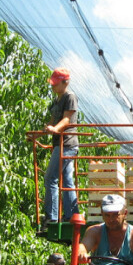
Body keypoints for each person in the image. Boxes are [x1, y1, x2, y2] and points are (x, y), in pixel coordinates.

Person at [43, 67, 79, 223]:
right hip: (60, 144)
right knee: (66, 179)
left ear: (65, 82)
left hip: (67, 144)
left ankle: (52, 217)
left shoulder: (70, 97)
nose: (53, 86)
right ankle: (72, 215)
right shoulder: (57, 100)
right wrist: (40, 133)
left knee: (50, 178)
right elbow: (52, 121)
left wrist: (55, 129)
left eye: (55, 84)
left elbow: (66, 120)